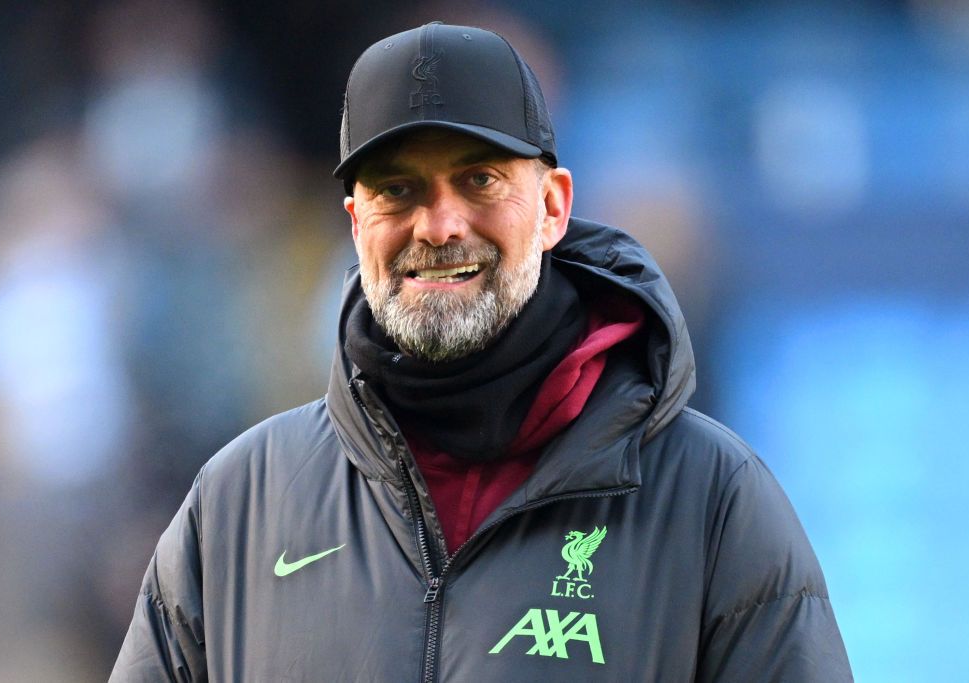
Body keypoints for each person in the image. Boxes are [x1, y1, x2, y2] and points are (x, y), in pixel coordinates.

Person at [111, 22, 853, 682]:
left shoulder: (713, 501)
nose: (438, 225)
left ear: (554, 206)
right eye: (397, 189)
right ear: (354, 223)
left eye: (479, 179)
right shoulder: (239, 503)